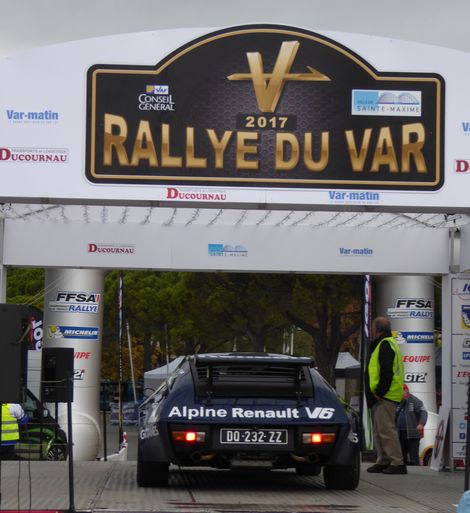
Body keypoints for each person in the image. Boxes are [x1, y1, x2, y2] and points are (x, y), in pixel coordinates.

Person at [365, 316, 407, 474]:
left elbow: (386, 372)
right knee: (379, 430)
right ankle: (383, 460)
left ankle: (397, 462)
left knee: (386, 430)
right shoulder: (386, 343)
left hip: (384, 395)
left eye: (373, 327)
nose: (371, 330)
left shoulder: (385, 345)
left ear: (377, 329)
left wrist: (380, 392)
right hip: (383, 395)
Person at [396, 384, 427, 465]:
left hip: (412, 434)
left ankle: (416, 471)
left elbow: (423, 412)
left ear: (406, 391)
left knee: (413, 456)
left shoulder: (415, 400)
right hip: (400, 433)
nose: (398, 393)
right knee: (401, 455)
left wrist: (421, 424)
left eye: (400, 391)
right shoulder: (398, 402)